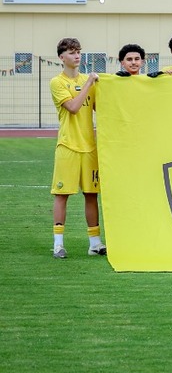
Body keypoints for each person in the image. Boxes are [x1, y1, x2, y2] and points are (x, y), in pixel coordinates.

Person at [49, 38, 104, 259]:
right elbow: (72, 107)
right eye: (72, 52)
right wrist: (89, 83)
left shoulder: (89, 80)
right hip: (68, 146)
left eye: (79, 52)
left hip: (89, 147)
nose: (77, 56)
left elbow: (101, 108)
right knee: (62, 195)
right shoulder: (57, 82)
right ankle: (58, 244)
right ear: (61, 57)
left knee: (91, 194)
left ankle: (95, 244)